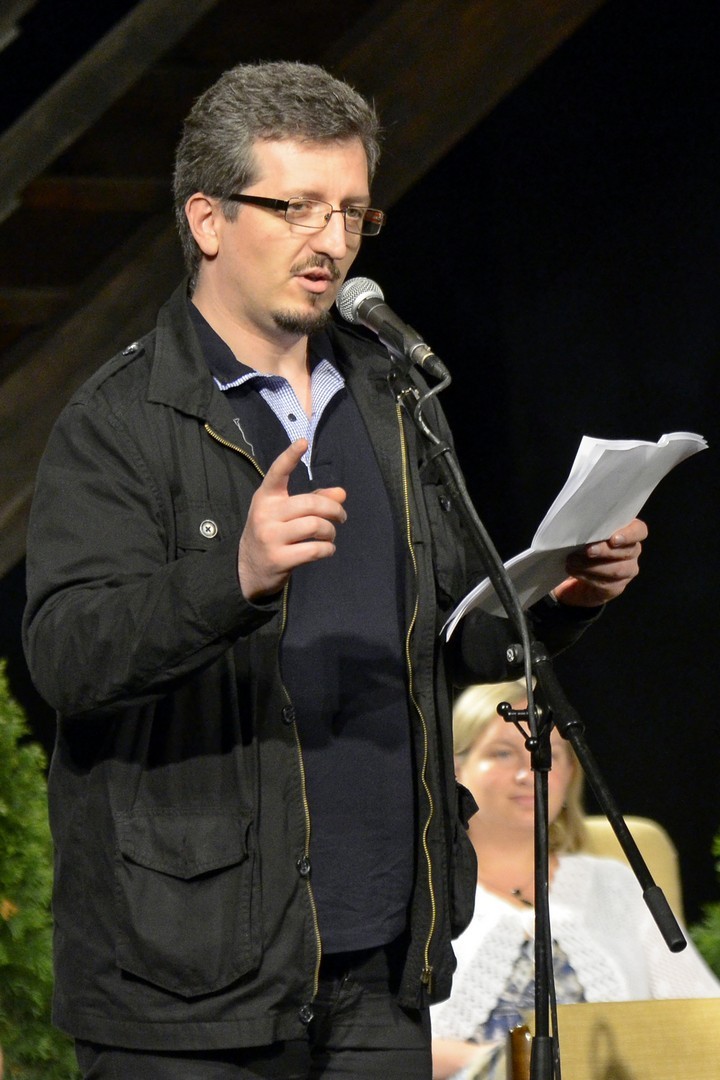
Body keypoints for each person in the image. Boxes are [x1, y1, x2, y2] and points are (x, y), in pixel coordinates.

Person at [22, 60, 648, 1080]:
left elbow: (451, 635)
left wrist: (560, 598)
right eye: (297, 207)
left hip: (381, 970)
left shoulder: (395, 402)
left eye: (352, 211)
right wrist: (232, 577)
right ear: (208, 219)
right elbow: (67, 657)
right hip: (188, 987)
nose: (331, 241)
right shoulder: (120, 421)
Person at [430, 680, 720, 1080]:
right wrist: (508, 1062)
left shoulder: (616, 885)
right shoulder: (424, 893)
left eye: (547, 754)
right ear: (455, 768)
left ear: (569, 772)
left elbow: (702, 1015)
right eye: (502, 753)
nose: (528, 772)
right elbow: (380, 1040)